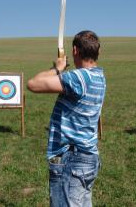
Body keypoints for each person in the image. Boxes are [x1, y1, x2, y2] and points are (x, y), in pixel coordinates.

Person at [27, 30, 106, 207]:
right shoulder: (99, 76)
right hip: (88, 158)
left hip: (72, 160)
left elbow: (33, 84)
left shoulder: (78, 78)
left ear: (75, 51)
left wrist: (57, 68)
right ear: (98, 52)